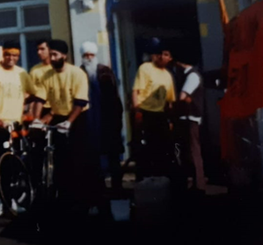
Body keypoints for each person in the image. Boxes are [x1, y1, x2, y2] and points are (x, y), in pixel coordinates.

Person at [33, 40, 102, 212]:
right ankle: (64, 199)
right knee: (60, 160)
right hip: (59, 117)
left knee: (81, 159)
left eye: (56, 54)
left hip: (78, 118)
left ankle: (90, 200)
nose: (52, 58)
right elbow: (40, 99)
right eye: (51, 54)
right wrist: (36, 119)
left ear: (64, 55)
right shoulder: (47, 75)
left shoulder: (77, 73)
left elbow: (80, 101)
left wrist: (69, 122)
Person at [0, 41, 36, 215]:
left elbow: (32, 94)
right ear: (3, 54)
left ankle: (11, 199)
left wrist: (25, 112)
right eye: (8, 55)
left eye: (15, 55)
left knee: (13, 165)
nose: (11, 58)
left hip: (15, 124)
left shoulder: (22, 73)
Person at [80, 42, 124, 190]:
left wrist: (117, 119)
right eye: (86, 55)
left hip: (107, 118)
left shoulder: (105, 71)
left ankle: (117, 187)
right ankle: (98, 189)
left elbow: (114, 97)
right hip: (89, 119)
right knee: (93, 156)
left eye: (91, 55)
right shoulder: (80, 72)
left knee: (113, 154)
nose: (89, 58)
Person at [132, 38, 175, 179]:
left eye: (163, 55)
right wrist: (137, 111)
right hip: (145, 113)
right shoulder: (145, 68)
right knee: (145, 149)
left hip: (160, 115)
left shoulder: (167, 75)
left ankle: (161, 179)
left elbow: (169, 100)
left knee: (162, 148)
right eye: (158, 54)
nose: (160, 57)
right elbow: (136, 91)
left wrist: (170, 120)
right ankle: (143, 180)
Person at [172, 50, 206, 192]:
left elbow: (183, 96)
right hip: (187, 118)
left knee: (193, 151)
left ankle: (199, 184)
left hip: (190, 118)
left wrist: (177, 103)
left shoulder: (192, 76)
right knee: (189, 151)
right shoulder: (189, 75)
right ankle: (194, 182)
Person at [29, 39, 52, 118]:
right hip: (41, 108)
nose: (39, 52)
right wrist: (30, 110)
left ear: (50, 50)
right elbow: (32, 92)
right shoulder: (35, 70)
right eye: (38, 50)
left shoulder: (57, 68)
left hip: (57, 109)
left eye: (42, 49)